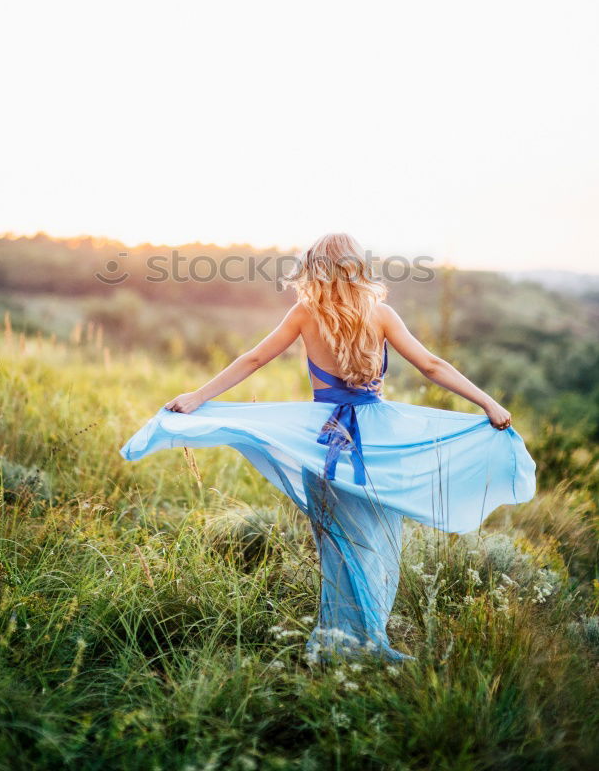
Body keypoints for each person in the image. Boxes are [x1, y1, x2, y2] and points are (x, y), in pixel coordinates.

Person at [120, 233, 536, 663]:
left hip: (324, 445)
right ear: (357, 266)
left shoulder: (305, 314)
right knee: (373, 542)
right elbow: (432, 365)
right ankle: (365, 638)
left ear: (314, 269)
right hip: (377, 446)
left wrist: (197, 396)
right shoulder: (383, 314)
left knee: (335, 546)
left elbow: (253, 359)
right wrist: (486, 401)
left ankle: (342, 640)